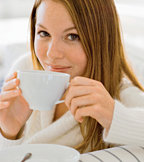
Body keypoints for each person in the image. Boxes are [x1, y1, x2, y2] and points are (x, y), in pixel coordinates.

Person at [0, 0, 144, 153]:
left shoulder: (120, 95)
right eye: (44, 33)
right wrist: (8, 133)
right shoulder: (25, 68)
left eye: (72, 36)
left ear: (102, 39)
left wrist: (114, 116)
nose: (52, 54)